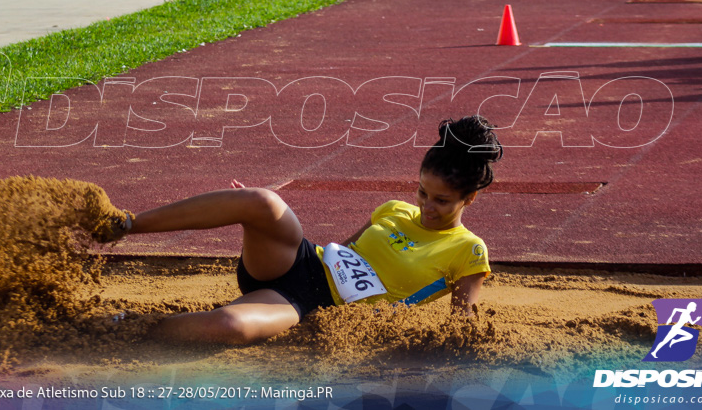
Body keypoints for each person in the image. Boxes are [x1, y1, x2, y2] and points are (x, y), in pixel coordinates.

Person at [104, 115, 501, 345]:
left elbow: (461, 325)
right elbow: (343, 251)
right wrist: (264, 224)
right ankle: (122, 224)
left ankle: (135, 327)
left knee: (230, 326)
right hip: (301, 262)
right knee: (261, 202)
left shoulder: (468, 250)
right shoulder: (393, 209)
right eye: (422, 192)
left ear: (469, 199)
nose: (426, 207)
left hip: (312, 305)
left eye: (441, 201)